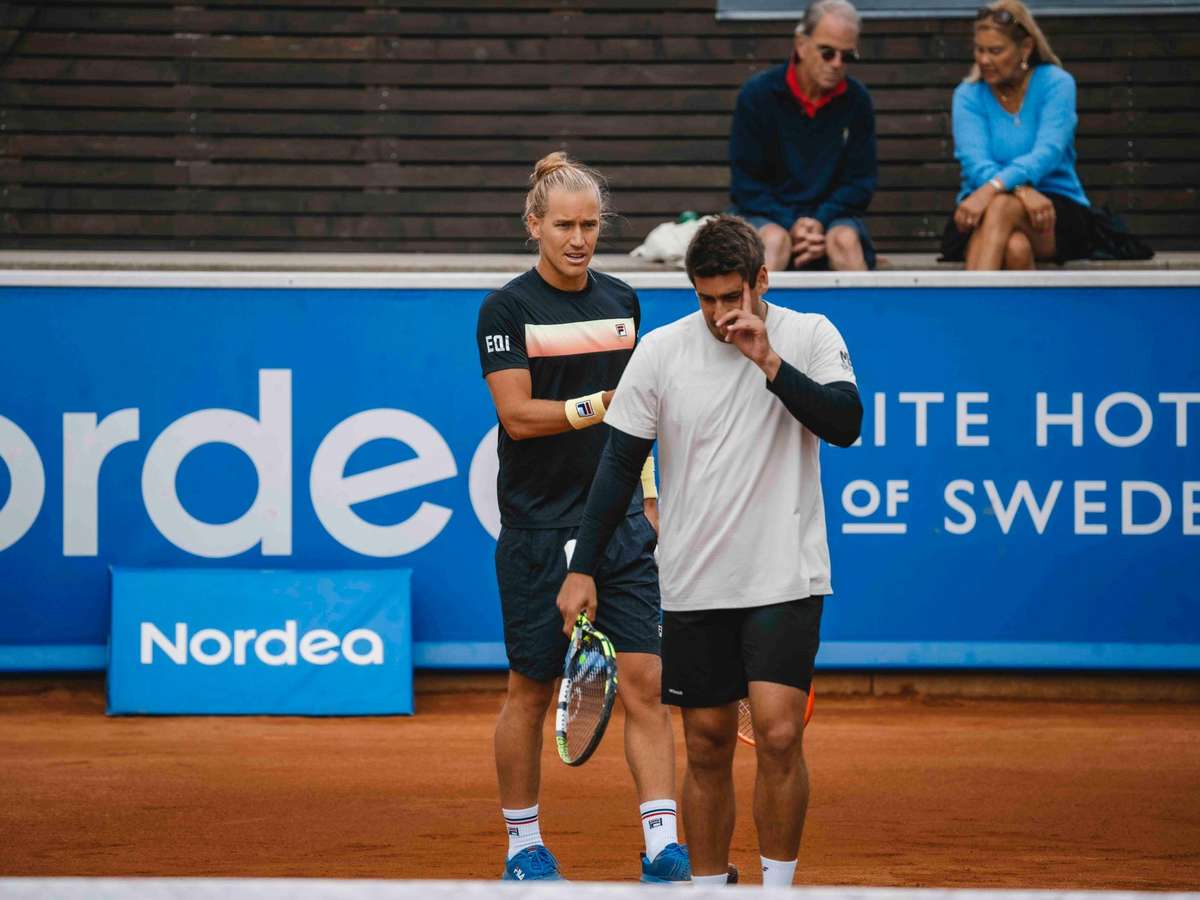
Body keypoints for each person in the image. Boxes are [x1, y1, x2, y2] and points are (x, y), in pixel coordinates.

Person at [556, 215, 862, 886]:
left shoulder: (811, 335)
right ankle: (707, 886)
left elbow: (845, 423)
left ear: (762, 280)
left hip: (787, 575)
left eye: (731, 296)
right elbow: (617, 468)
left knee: (779, 732)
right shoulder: (661, 352)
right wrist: (583, 569)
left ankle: (776, 890)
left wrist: (768, 361)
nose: (720, 313)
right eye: (706, 298)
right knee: (707, 743)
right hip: (694, 581)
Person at [475, 152, 689, 884]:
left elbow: (640, 426)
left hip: (619, 522)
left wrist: (648, 499)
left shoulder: (624, 300)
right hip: (537, 529)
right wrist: (602, 405)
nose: (578, 239)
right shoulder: (505, 310)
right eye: (564, 225)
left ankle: (662, 845)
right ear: (534, 224)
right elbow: (517, 415)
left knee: (646, 682)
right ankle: (522, 846)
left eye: (590, 225)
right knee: (530, 691)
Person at [941, 0, 1096, 269]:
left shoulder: (1056, 84)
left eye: (995, 51)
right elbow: (975, 164)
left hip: (1053, 209)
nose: (984, 60)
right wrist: (1020, 190)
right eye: (979, 50)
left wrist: (995, 188)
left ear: (1025, 48)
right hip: (979, 209)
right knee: (1015, 247)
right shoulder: (968, 95)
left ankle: (972, 297)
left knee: (1001, 206)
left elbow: (1047, 153)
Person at [729, 0, 877, 272]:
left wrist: (819, 222)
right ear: (801, 44)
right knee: (773, 242)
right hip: (768, 218)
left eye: (847, 56)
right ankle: (756, 305)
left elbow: (859, 183)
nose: (837, 64)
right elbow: (746, 185)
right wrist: (791, 224)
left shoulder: (857, 100)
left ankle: (864, 305)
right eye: (827, 53)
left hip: (831, 221)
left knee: (844, 241)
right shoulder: (757, 96)